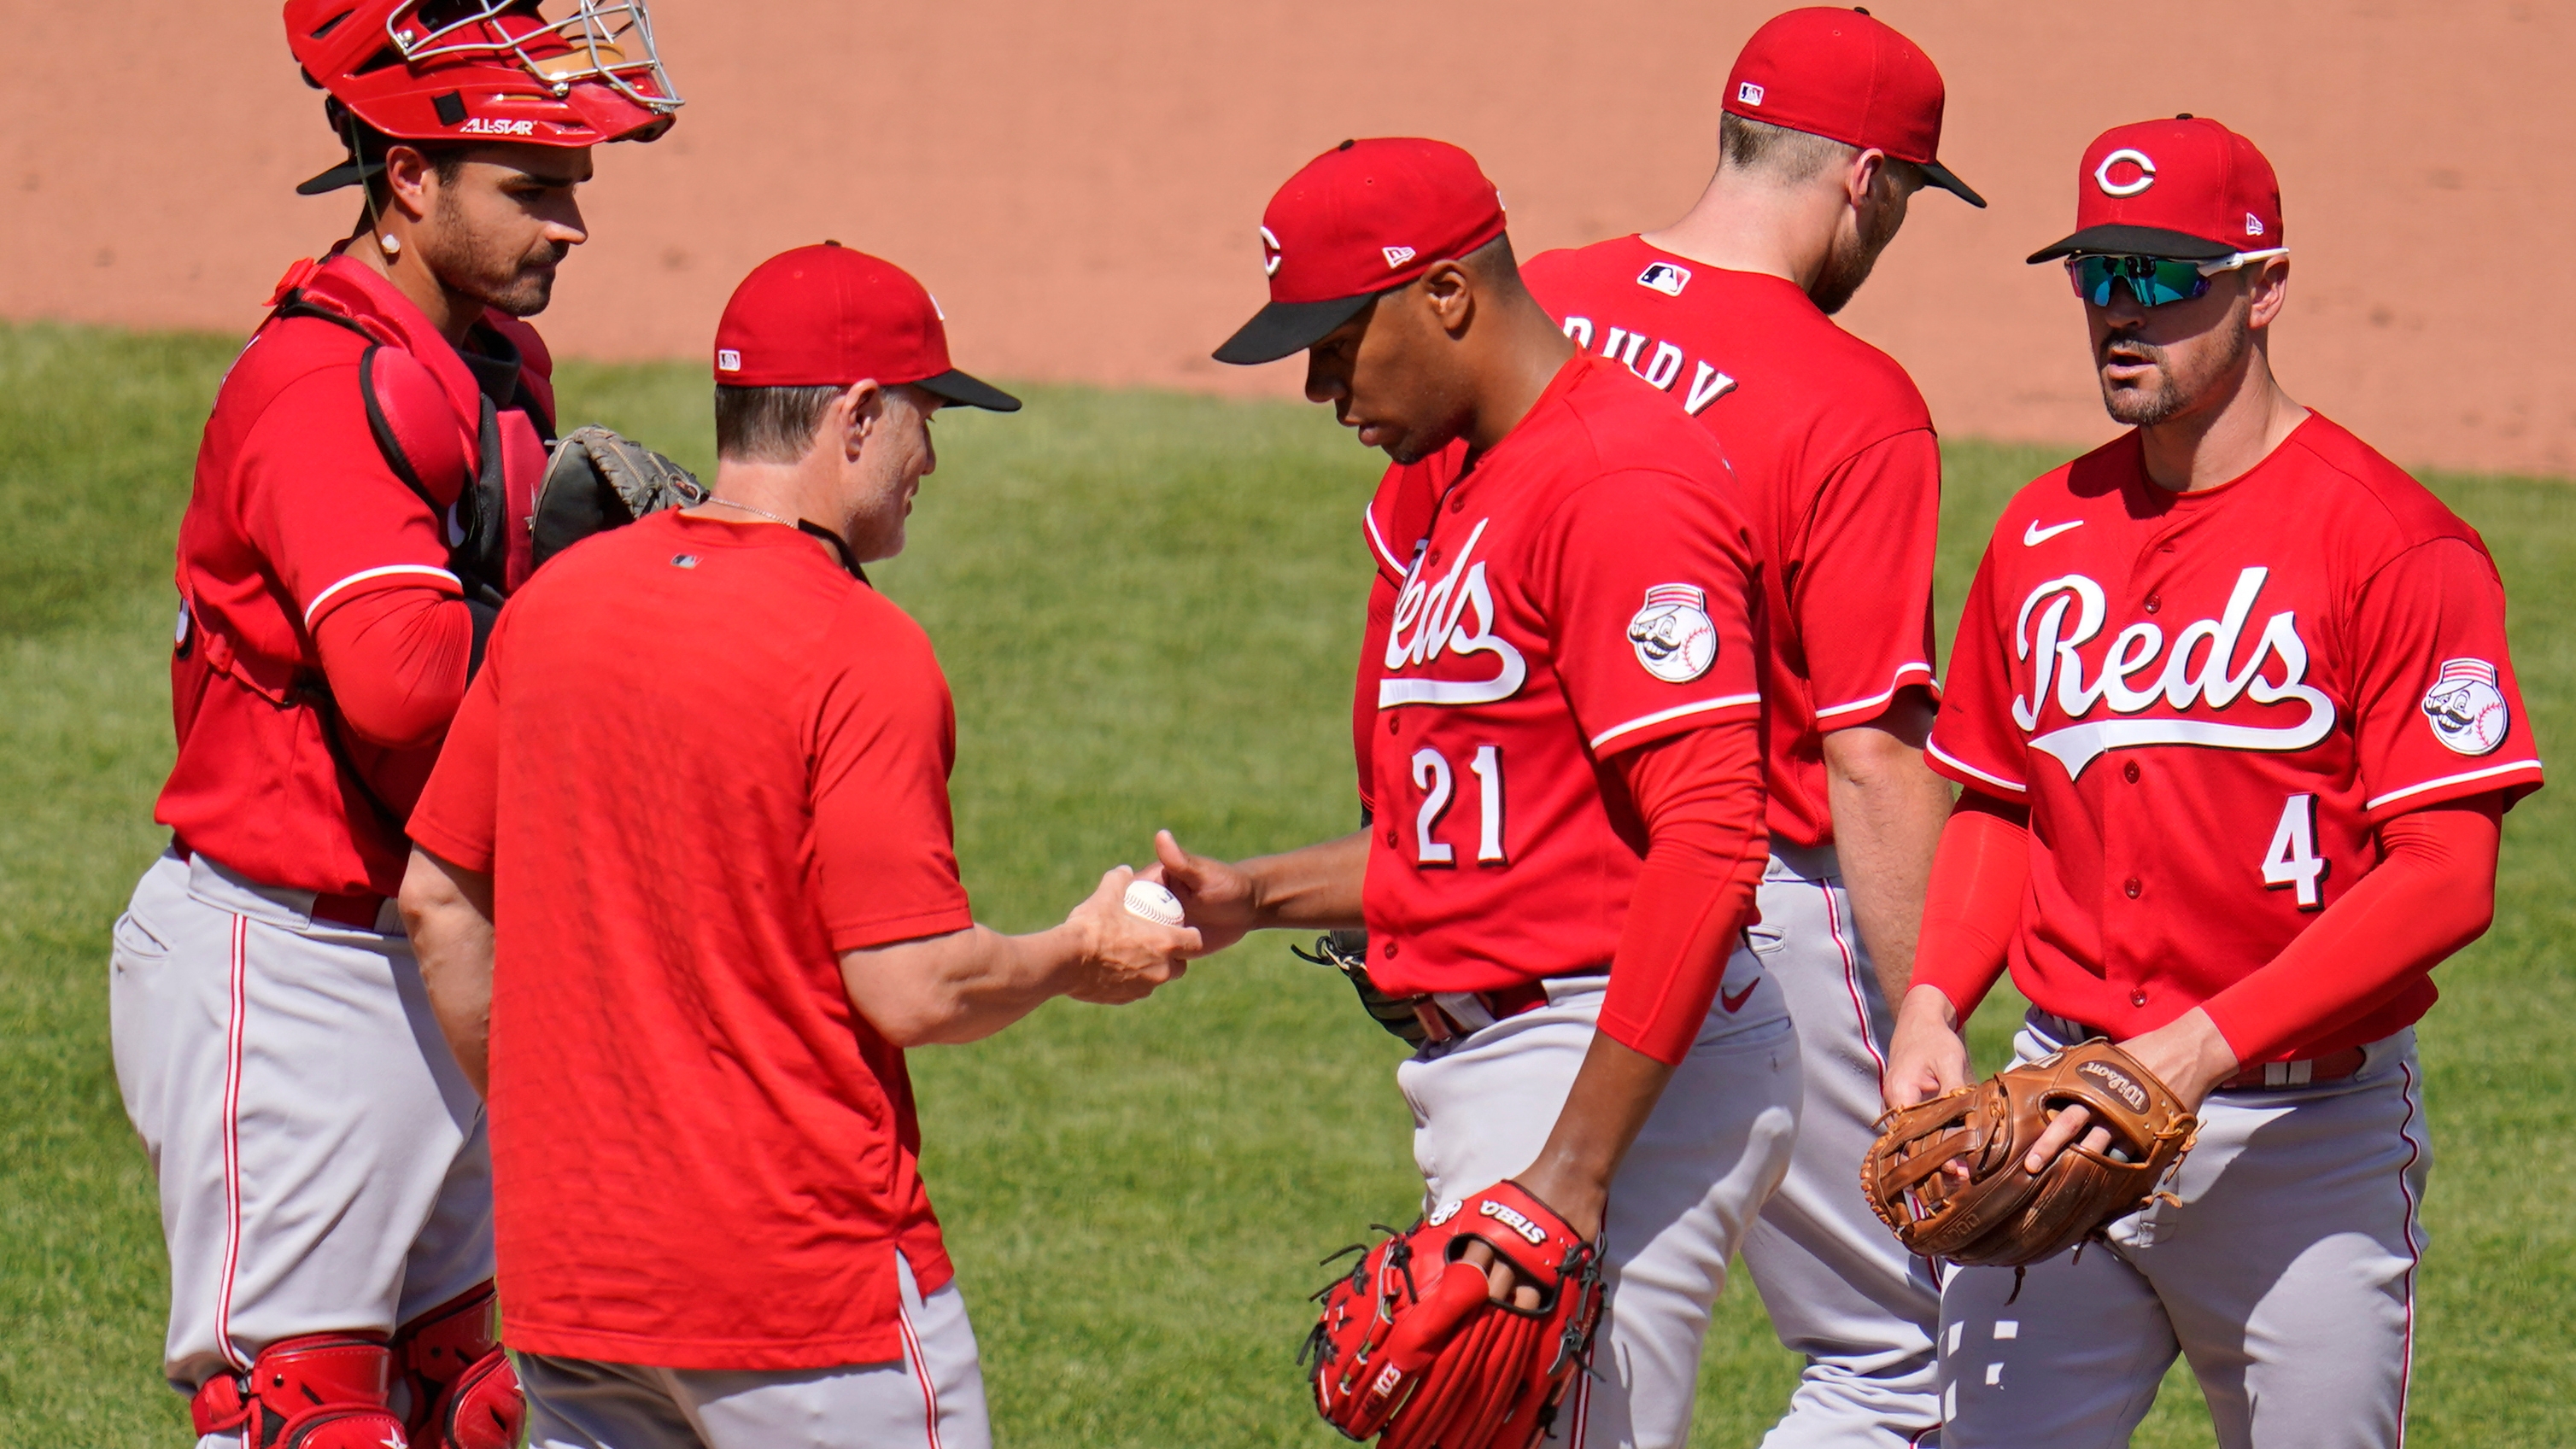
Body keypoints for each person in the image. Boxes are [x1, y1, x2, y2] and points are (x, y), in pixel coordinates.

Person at [399, 242, 1198, 1449]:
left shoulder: (553, 607)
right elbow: (916, 982)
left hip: (578, 1282)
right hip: (803, 1304)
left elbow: (438, 902)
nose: (931, 456)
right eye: (926, 416)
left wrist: (568, 1128)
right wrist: (1075, 952)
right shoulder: (858, 648)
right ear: (859, 416)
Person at [1882, 116, 2542, 1446]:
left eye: (2162, 281)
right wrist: (1935, 999)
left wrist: (2197, 1043)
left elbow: (2447, 872)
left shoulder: (2398, 545)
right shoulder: (2042, 529)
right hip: (2056, 1110)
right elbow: (2003, 803)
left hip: (2304, 1147)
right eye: (2097, 276)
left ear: (2266, 287)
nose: (2121, 317)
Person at [107, 3, 680, 1444]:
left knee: (466, 1396)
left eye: (575, 190)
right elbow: (406, 688)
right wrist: (590, 608)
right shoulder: (324, 382)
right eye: (534, 190)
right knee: (301, 1410)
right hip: (293, 967)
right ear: (410, 179)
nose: (571, 224)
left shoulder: (487, 360)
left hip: (433, 941)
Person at [1171, 137, 1799, 1449]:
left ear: (1447, 295)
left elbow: (1711, 830)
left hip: (1600, 1063)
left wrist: (1568, 1172)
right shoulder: (1472, 486)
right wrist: (1254, 892)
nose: (1314, 384)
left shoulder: (1618, 482)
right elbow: (1483, 839)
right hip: (1524, 1056)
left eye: (1337, 340)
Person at [1502, 10, 1981, 1442]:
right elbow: (1870, 751)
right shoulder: (1854, 401)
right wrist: (1926, 1011)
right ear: (1866, 182)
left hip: (1537, 898)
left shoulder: (1538, 308)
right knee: (1910, 1352)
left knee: (1565, 1326)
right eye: (1899, 202)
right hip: (1759, 904)